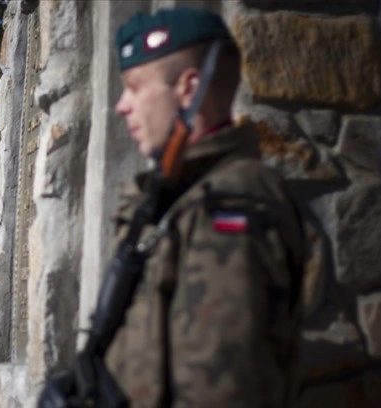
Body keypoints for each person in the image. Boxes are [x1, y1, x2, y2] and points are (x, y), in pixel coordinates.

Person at [102, 7, 305, 407]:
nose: (122, 106)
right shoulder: (174, 195)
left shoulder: (232, 200)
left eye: (135, 86)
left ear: (189, 89)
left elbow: (218, 386)